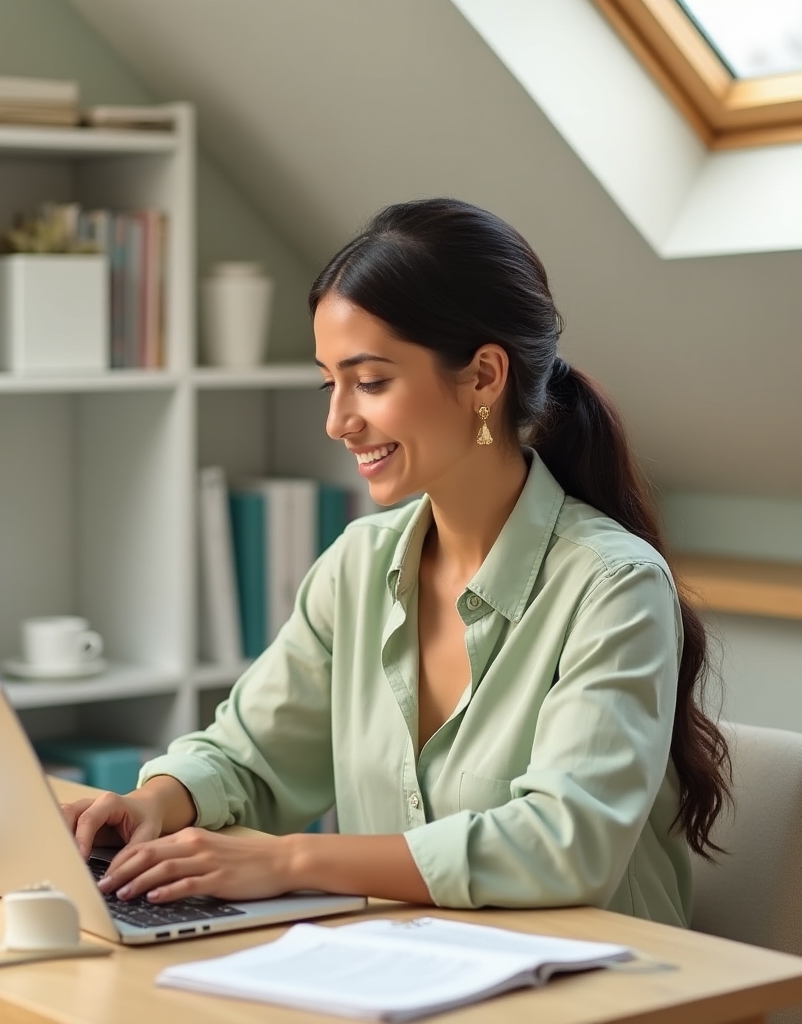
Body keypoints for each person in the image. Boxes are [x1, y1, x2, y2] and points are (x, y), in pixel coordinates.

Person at [62, 197, 730, 927]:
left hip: (606, 990)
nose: (338, 420)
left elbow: (564, 844)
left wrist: (290, 863)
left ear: (482, 377)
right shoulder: (358, 565)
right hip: (407, 971)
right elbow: (251, 754)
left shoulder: (613, 587)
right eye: (330, 383)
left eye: (370, 382)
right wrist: (156, 800)